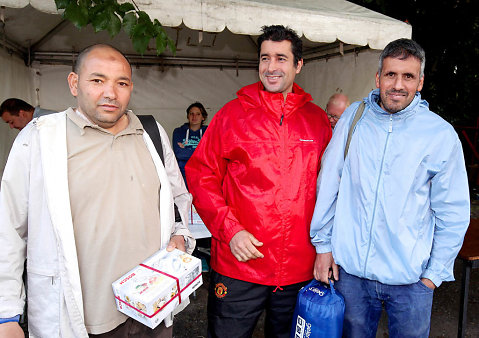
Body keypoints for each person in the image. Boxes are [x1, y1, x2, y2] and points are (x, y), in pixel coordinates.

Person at [0, 44, 194, 338]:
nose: (111, 93)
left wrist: (180, 234)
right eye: (97, 80)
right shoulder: (41, 138)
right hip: (79, 320)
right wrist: (7, 314)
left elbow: (179, 199)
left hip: (151, 311)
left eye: (122, 83)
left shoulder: (151, 133)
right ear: (74, 83)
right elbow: (9, 228)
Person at [310, 38, 470, 337]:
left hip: (411, 283)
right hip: (351, 276)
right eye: (391, 74)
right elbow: (329, 184)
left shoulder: (440, 134)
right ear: (378, 78)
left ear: (420, 82)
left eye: (408, 76)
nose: (398, 84)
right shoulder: (353, 119)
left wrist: (432, 275)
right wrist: (323, 245)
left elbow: (453, 211)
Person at [186, 25, 332, 338]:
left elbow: (332, 190)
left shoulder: (317, 120)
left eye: (281, 58)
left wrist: (327, 249)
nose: (271, 67)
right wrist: (230, 229)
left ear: (298, 65)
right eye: (265, 58)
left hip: (299, 268)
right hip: (240, 264)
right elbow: (201, 174)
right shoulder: (231, 115)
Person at [172, 102, 208, 186]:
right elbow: (179, 153)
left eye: (198, 114)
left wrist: (186, 149)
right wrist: (201, 151)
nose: (194, 117)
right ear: (188, 116)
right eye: (191, 114)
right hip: (184, 175)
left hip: (203, 175)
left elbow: (210, 154)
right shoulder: (178, 131)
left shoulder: (209, 132)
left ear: (203, 117)